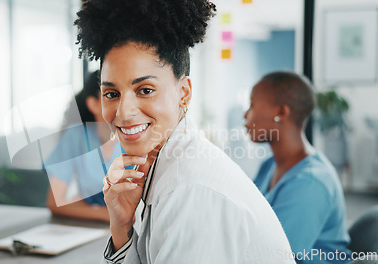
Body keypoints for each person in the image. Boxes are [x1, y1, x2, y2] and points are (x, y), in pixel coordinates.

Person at [74, 0, 295, 263]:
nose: (123, 111)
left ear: (184, 93)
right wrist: (121, 228)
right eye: (111, 94)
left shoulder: (189, 187)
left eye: (145, 90)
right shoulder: (164, 164)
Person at [245, 71, 351, 263]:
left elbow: (272, 256)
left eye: (252, 105)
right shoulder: (269, 166)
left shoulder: (310, 182)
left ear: (280, 113)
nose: (245, 115)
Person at [45, 70, 122, 222]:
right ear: (93, 104)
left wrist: (81, 206)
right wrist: (109, 215)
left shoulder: (139, 136)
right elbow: (56, 203)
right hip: (95, 227)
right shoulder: (75, 137)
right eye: (112, 95)